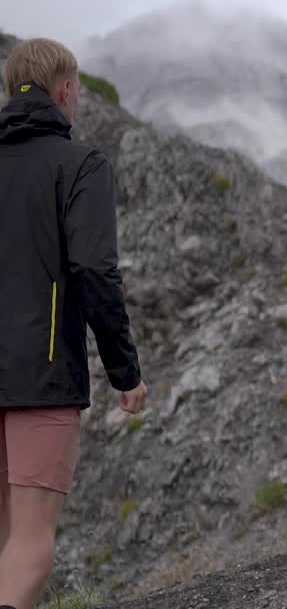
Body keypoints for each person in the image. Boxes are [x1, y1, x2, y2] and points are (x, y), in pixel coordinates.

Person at [0, 38, 147, 609]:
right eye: (78, 92)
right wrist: (124, 373)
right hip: (40, 378)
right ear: (65, 91)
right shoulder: (80, 165)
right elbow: (93, 269)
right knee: (31, 547)